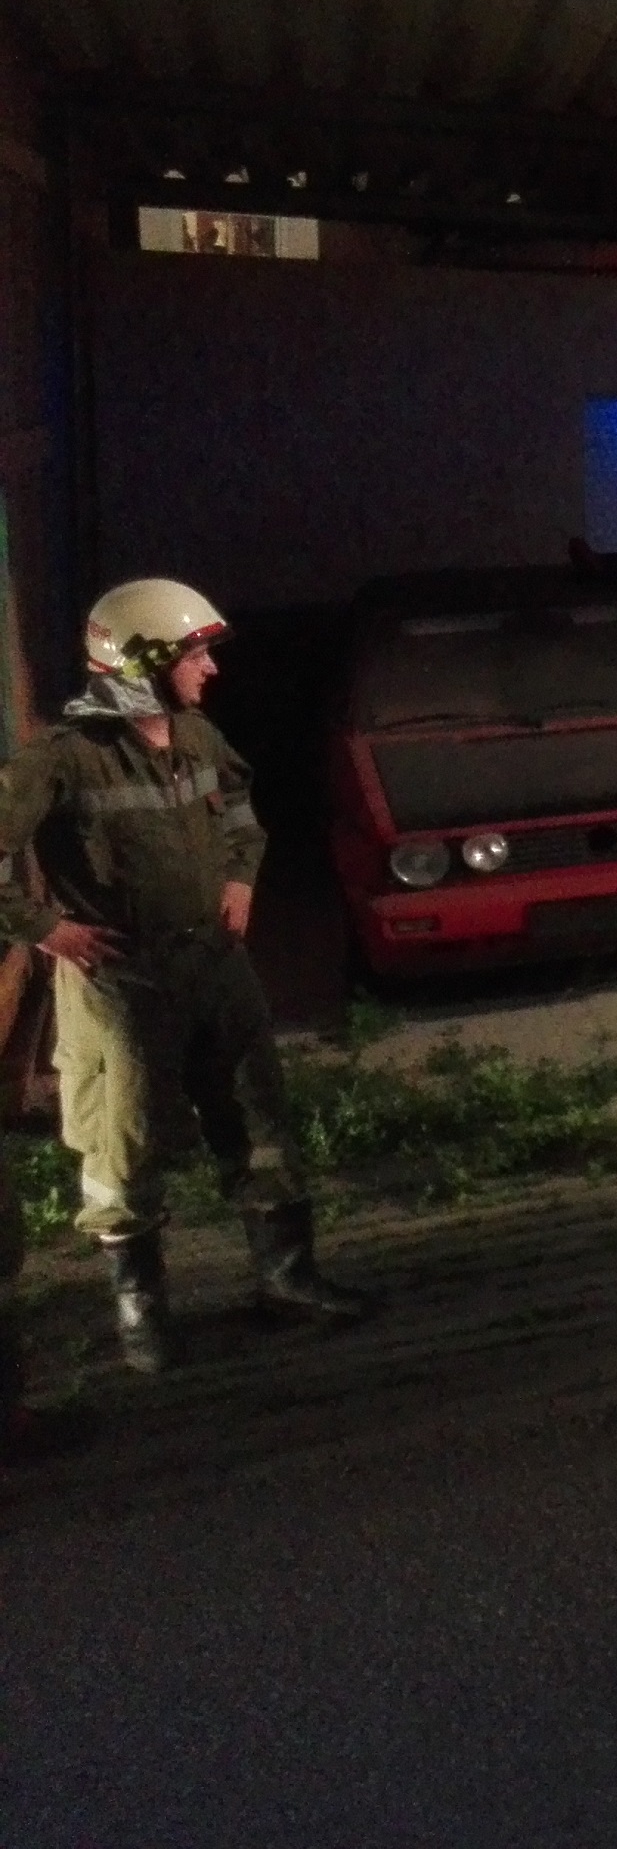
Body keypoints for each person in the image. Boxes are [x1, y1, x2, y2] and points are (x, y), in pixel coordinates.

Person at [0, 579, 367, 1373]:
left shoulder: (198, 737)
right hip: (121, 985)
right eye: (194, 654)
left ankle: (287, 1278)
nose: (211, 669)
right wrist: (43, 929)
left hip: (217, 968)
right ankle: (142, 1314)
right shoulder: (64, 758)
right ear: (143, 662)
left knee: (258, 1118)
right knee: (123, 1143)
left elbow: (239, 808)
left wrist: (240, 878)